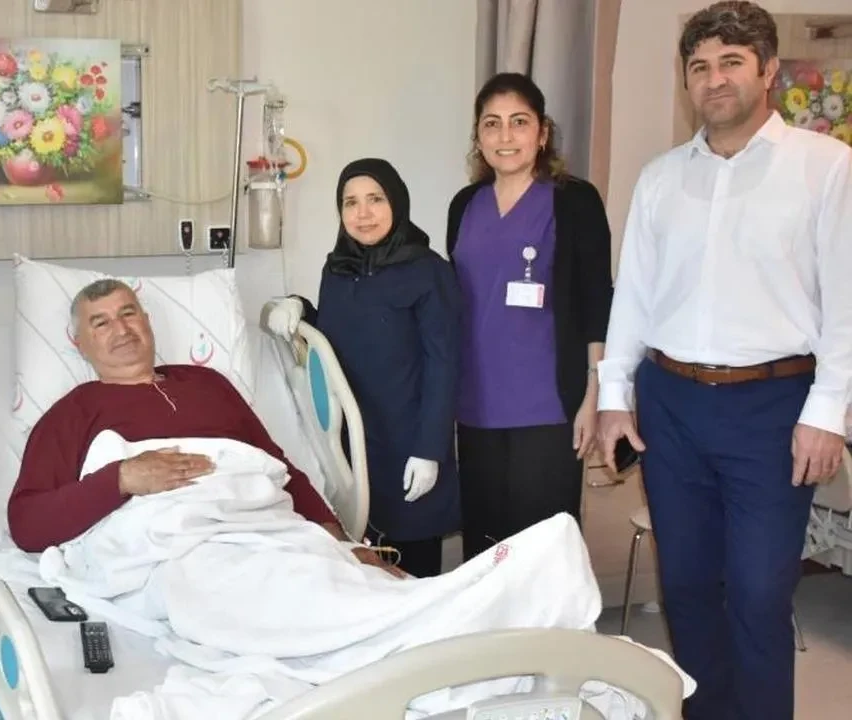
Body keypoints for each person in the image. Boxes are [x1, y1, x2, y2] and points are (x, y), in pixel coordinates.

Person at [595, 3, 852, 719]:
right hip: (671, 404)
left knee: (760, 592)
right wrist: (614, 397)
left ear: (767, 71)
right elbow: (634, 296)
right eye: (700, 66)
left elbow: (846, 300)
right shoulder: (660, 178)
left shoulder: (826, 168)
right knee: (686, 588)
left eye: (732, 62)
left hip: (775, 407)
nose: (715, 79)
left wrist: (828, 411)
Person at [8, 278, 404, 578]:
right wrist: (122, 478)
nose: (122, 329)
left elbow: (279, 469)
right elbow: (27, 523)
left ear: (147, 321)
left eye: (128, 313)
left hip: (267, 529)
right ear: (80, 344)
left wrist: (339, 544)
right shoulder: (72, 413)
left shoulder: (209, 384)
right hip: (176, 551)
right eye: (101, 323)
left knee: (358, 581)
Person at [264, 159, 461, 578]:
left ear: (397, 203)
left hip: (409, 441)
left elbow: (444, 364)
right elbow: (337, 333)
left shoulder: (428, 272)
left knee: (413, 571)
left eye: (375, 199)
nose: (363, 213)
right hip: (354, 440)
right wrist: (299, 307)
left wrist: (429, 450)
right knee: (364, 566)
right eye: (350, 202)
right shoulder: (338, 269)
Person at [445, 73, 614, 561]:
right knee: (485, 548)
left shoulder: (575, 200)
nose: (505, 135)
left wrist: (594, 395)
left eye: (519, 122)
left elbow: (597, 302)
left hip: (549, 408)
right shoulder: (464, 205)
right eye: (492, 123)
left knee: (542, 551)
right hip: (476, 404)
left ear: (542, 133)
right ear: (478, 137)